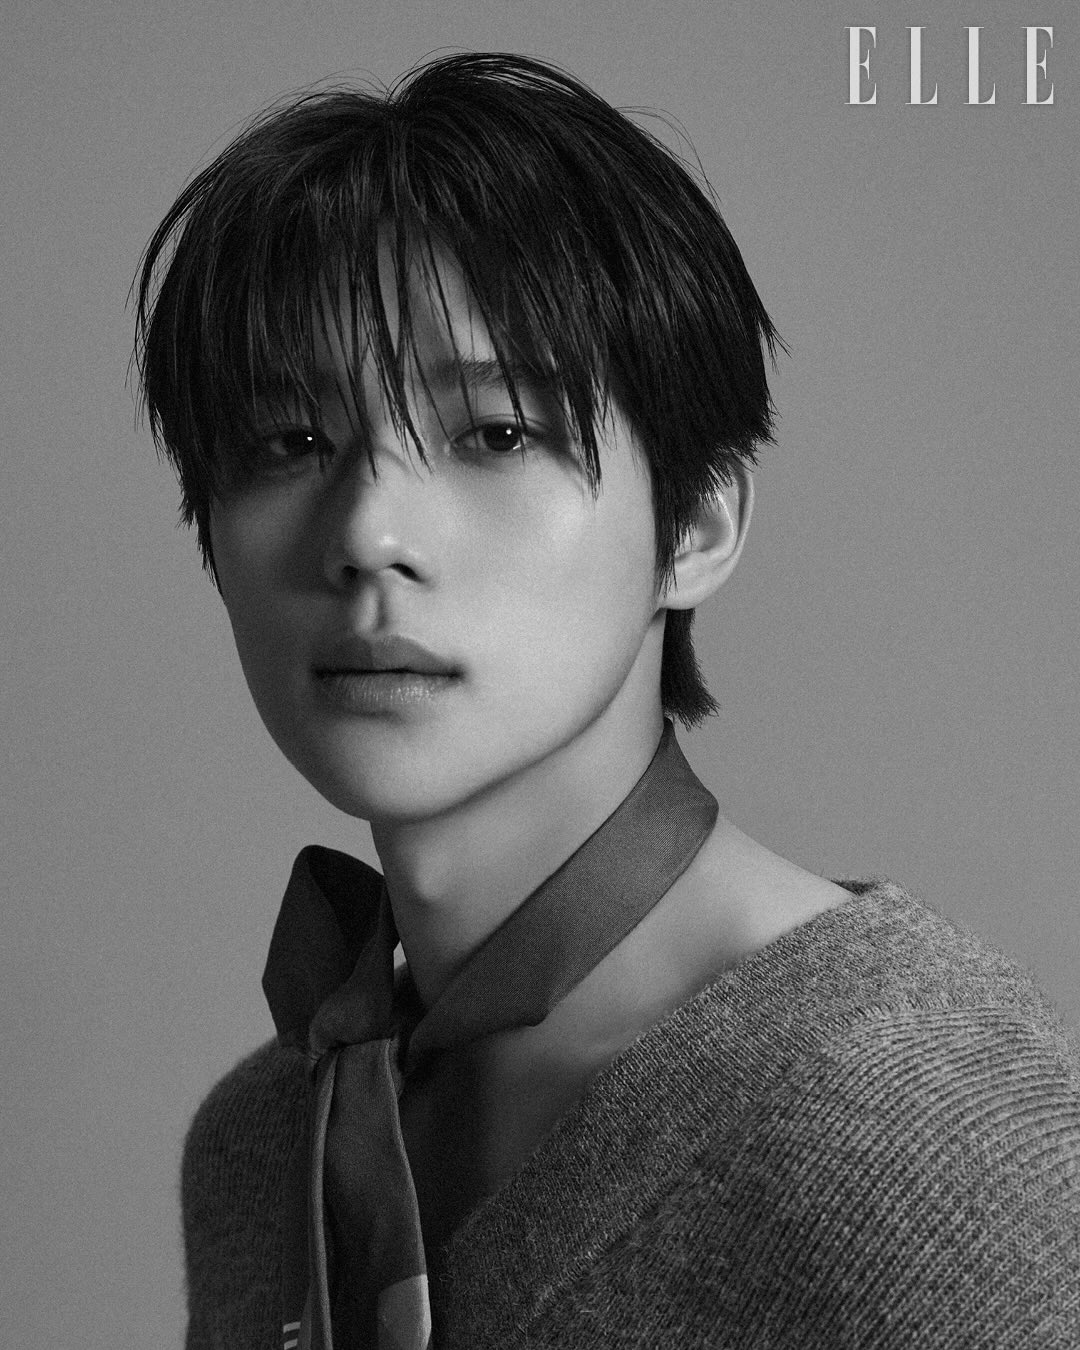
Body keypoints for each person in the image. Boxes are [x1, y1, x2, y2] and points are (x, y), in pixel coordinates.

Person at [134, 52, 1080, 1350]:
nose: (366, 534)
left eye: (496, 434)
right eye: (291, 443)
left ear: (696, 523)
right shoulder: (268, 1144)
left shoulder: (905, 1121)